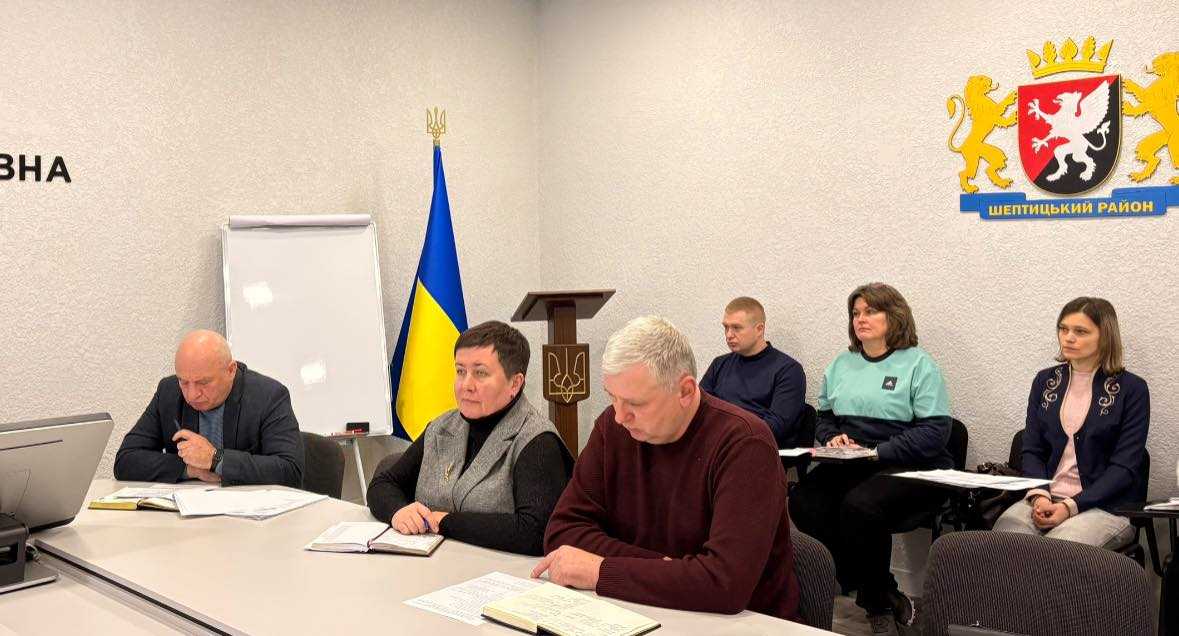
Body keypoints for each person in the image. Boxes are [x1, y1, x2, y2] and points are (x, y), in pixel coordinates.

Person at [536, 316, 800, 621]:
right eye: (612, 397)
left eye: (635, 403)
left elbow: (725, 585)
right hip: (642, 611)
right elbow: (562, 533)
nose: (620, 416)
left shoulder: (745, 444)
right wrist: (670, 570)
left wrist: (601, 570)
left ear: (685, 391)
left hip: (746, 623)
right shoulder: (613, 428)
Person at [788, 283, 951, 636]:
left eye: (871, 311)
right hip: (854, 461)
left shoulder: (919, 364)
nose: (861, 319)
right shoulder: (842, 364)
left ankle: (877, 606)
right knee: (804, 501)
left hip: (909, 462)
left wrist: (879, 451)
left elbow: (935, 432)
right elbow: (825, 416)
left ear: (895, 316)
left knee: (860, 507)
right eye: (856, 313)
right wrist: (832, 437)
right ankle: (881, 592)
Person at [366, 321, 572, 556]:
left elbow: (535, 532)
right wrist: (398, 511)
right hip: (430, 563)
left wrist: (446, 522)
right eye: (460, 371)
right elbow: (382, 485)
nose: (466, 385)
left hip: (498, 570)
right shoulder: (442, 427)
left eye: (480, 373)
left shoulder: (537, 440)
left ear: (515, 383)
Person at [994, 297, 1148, 549]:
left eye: (1080, 331)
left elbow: (1124, 467)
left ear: (1105, 336)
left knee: (1059, 552)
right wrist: (1040, 496)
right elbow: (1032, 450)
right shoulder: (1045, 381)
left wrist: (1069, 506)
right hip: (1044, 498)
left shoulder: (1132, 389)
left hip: (1104, 507)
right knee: (1002, 542)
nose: (1068, 338)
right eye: (1063, 329)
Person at [114, 330, 304, 487]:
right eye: (183, 381)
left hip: (250, 514)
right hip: (186, 512)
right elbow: (126, 460)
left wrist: (216, 459)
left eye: (203, 383)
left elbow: (290, 470)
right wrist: (190, 469)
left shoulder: (269, 396)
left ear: (231, 370)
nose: (191, 395)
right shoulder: (168, 392)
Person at [699, 296, 806, 447]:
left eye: (736, 328)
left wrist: (726, 437)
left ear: (759, 329)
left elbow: (775, 427)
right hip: (716, 446)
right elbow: (699, 409)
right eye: (726, 327)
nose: (729, 335)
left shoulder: (788, 370)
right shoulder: (719, 364)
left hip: (757, 448)